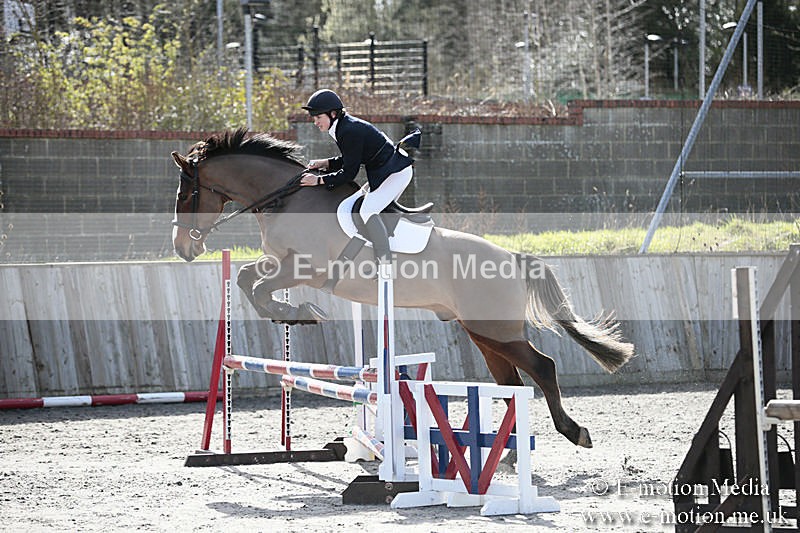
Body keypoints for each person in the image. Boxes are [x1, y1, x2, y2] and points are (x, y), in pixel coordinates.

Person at [299, 89, 417, 266]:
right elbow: (351, 159)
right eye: (313, 118)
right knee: (363, 207)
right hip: (385, 171)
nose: (315, 122)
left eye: (318, 117)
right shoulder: (342, 126)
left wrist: (318, 180)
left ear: (332, 114)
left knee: (367, 211)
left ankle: (385, 265)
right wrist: (325, 163)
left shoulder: (348, 130)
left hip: (395, 172)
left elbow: (349, 173)